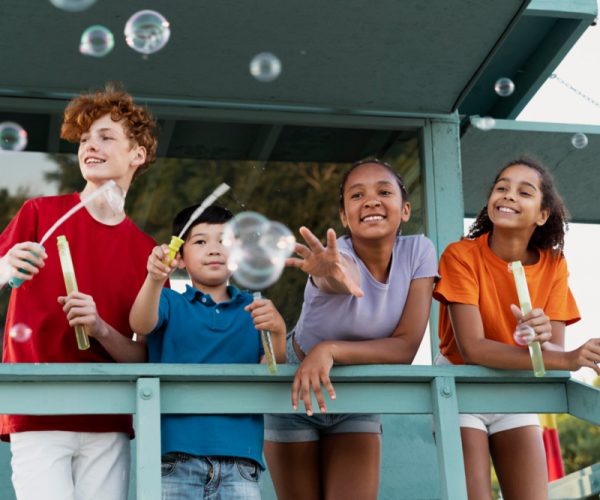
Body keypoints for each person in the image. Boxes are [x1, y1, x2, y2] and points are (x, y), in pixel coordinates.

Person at [0, 85, 158, 500]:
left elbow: (145, 355)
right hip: (37, 410)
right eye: (85, 139)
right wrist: (4, 266)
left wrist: (102, 329)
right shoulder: (39, 214)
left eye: (106, 137)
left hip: (107, 418)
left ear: (137, 154)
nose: (90, 145)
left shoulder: (146, 252)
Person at [264, 158, 438, 500]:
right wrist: (330, 272)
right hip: (297, 386)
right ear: (344, 217)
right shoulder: (336, 255)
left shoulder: (419, 251)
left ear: (404, 210)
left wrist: (330, 349)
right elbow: (341, 278)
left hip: (358, 392)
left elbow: (404, 349)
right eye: (356, 195)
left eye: (383, 192)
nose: (371, 200)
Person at [433, 157, 600, 499]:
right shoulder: (460, 255)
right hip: (461, 388)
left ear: (542, 215)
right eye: (501, 188)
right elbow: (473, 349)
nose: (508, 195)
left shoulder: (554, 264)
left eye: (524, 192)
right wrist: (566, 358)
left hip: (515, 390)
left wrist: (544, 341)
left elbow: (550, 350)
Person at [129, 204, 286, 500]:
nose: (214, 249)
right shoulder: (169, 302)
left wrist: (277, 330)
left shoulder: (255, 307)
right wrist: (153, 277)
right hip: (174, 459)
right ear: (180, 257)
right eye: (200, 241)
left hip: (242, 461)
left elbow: (273, 367)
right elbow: (140, 322)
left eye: (225, 241)